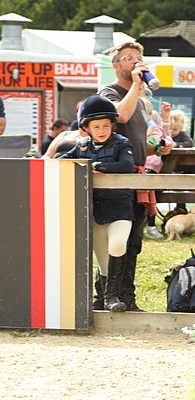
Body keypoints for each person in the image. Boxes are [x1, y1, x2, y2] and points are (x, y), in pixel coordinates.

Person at [56, 96, 135, 312]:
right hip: (94, 209)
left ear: (112, 125)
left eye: (106, 126)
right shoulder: (82, 146)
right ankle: (104, 298)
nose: (101, 130)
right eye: (96, 126)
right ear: (87, 128)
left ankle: (113, 295)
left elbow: (127, 166)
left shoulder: (122, 144)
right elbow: (63, 159)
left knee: (117, 244)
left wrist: (97, 166)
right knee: (102, 258)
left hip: (120, 206)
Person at [98, 41, 157, 311]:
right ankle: (108, 295)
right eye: (128, 57)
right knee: (115, 238)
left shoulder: (141, 100)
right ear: (117, 64)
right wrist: (136, 85)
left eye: (138, 57)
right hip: (119, 174)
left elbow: (139, 139)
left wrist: (159, 147)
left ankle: (127, 297)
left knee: (134, 240)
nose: (135, 61)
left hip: (139, 173)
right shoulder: (108, 92)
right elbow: (119, 116)